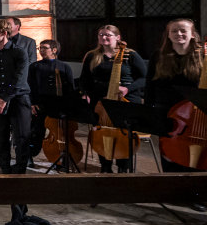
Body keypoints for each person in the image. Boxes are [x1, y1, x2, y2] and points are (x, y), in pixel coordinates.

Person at [147, 19, 204, 209]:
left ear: (192, 34)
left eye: (183, 31)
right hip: (166, 112)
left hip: (194, 115)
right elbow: (150, 86)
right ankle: (174, 192)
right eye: (174, 31)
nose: (179, 34)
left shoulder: (201, 56)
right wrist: (150, 112)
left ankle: (195, 194)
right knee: (169, 154)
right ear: (168, 35)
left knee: (196, 155)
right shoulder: (159, 56)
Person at [79, 24, 147, 173]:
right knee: (103, 132)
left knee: (123, 134)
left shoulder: (130, 55)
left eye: (108, 35)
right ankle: (105, 166)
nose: (104, 37)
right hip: (100, 101)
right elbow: (84, 79)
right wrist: (85, 93)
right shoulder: (92, 55)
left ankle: (123, 167)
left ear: (118, 37)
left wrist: (127, 88)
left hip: (125, 100)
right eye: (101, 35)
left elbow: (144, 78)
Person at [0, 19, 30, 174]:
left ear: (4, 33)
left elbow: (19, 79)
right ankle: (5, 168)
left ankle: (21, 169)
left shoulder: (19, 52)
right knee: (1, 136)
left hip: (18, 99)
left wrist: (4, 99)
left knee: (21, 137)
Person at [27, 39, 77, 165]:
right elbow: (30, 87)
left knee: (61, 132)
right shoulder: (34, 66)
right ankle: (29, 156)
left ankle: (61, 158)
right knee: (36, 132)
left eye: (45, 48)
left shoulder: (64, 66)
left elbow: (70, 88)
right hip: (39, 104)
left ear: (54, 50)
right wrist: (32, 103)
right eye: (40, 48)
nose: (41, 50)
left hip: (59, 104)